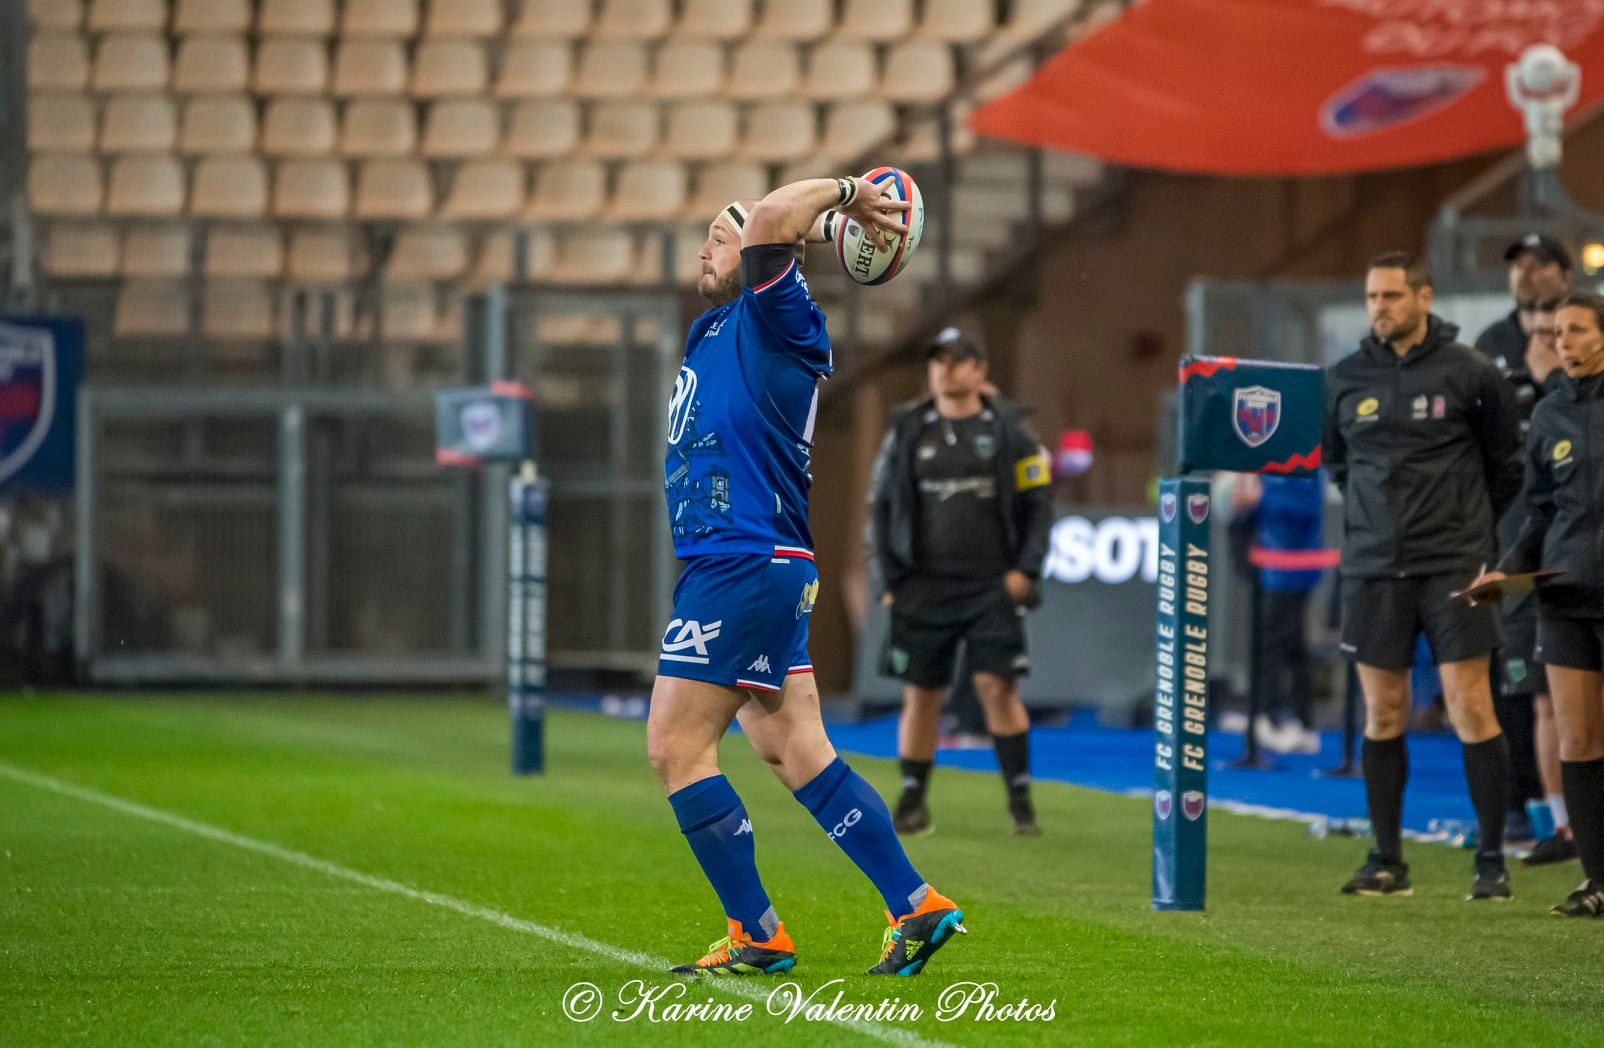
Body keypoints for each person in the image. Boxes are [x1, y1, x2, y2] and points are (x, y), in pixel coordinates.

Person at [650, 176, 966, 977]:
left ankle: (756, 931)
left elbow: (765, 223)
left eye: (716, 238)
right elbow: (767, 232)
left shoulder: (777, 313)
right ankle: (915, 903)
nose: (705, 249)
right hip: (752, 561)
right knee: (795, 748)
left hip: (742, 559)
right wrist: (816, 232)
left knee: (675, 747)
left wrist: (848, 197)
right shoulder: (714, 330)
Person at [1322, 251, 1522, 900]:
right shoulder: (1345, 378)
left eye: (1391, 296)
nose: (1379, 307)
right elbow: (1340, 466)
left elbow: (1505, 467)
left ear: (1424, 299)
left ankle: (1491, 861)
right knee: (1384, 711)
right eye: (1372, 296)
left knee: (1470, 705)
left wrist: (1472, 537)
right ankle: (1387, 862)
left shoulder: (1472, 373)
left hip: (1457, 565)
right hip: (1375, 568)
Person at [869, 327, 1053, 837]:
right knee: (921, 693)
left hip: (992, 584)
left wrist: (1026, 570)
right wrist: (888, 577)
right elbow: (881, 508)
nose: (945, 369)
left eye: (957, 360)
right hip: (923, 586)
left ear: (980, 369)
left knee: (998, 687)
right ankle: (912, 799)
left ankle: (1020, 799)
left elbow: (1039, 504)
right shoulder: (908, 429)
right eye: (938, 361)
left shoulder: (1011, 430)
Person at [1473, 292, 1604, 916]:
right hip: (1565, 597)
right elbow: (1540, 513)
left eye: (1575, 330)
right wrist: (1504, 571)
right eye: (1556, 332)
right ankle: (1597, 880)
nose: (1562, 341)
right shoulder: (1551, 414)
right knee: (1577, 742)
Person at [1475, 236, 1573, 847]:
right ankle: (1521, 804)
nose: (1527, 275)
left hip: (1580, 533)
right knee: (1517, 676)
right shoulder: (1489, 346)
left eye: (1538, 266)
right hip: (1512, 527)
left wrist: (1547, 381)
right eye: (1517, 266)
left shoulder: (1585, 338)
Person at [1230, 471, 1329, 754]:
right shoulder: (1268, 467)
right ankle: (1281, 718)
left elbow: (1306, 510)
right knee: (1279, 645)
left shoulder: (1307, 465)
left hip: (1296, 568)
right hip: (1271, 568)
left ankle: (1284, 719)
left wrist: (1263, 498)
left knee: (1284, 646)